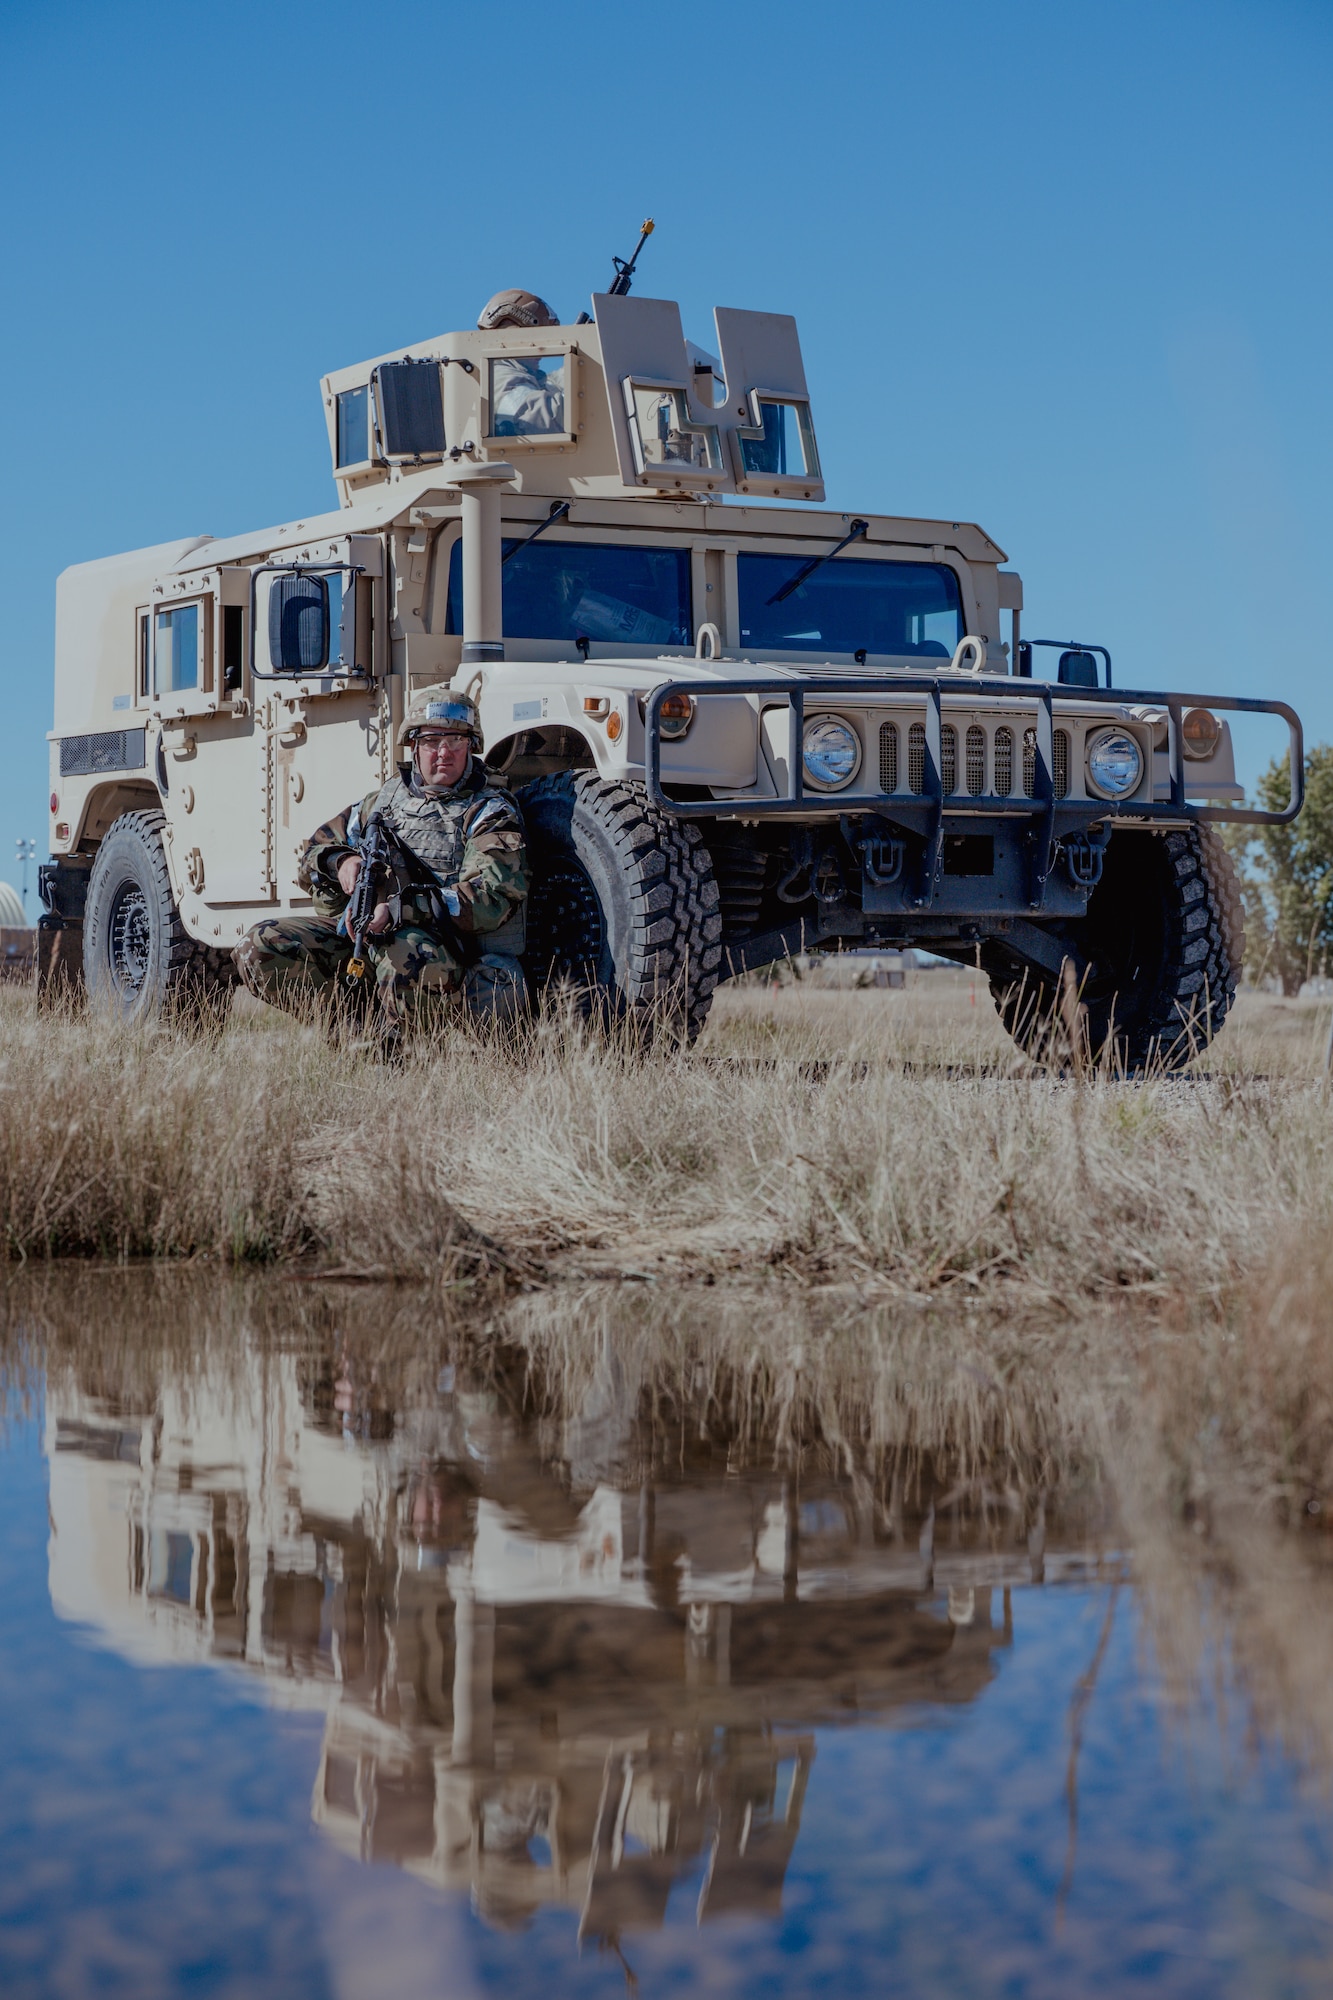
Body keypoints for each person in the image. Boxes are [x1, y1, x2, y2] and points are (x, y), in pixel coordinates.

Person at [236, 690, 527, 1033]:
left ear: (471, 745)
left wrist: (400, 909)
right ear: (414, 745)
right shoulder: (383, 801)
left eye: (456, 740)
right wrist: (341, 862)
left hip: (449, 952)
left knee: (404, 948)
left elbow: (491, 897)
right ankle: (354, 1036)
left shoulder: (489, 810)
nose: (444, 752)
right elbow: (312, 853)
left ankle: (399, 1058)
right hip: (366, 938)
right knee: (259, 944)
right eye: (432, 740)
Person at [477, 289, 567, 437]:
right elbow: (537, 418)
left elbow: (554, 384)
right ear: (516, 335)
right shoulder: (496, 375)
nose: (542, 347)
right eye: (538, 337)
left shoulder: (526, 377)